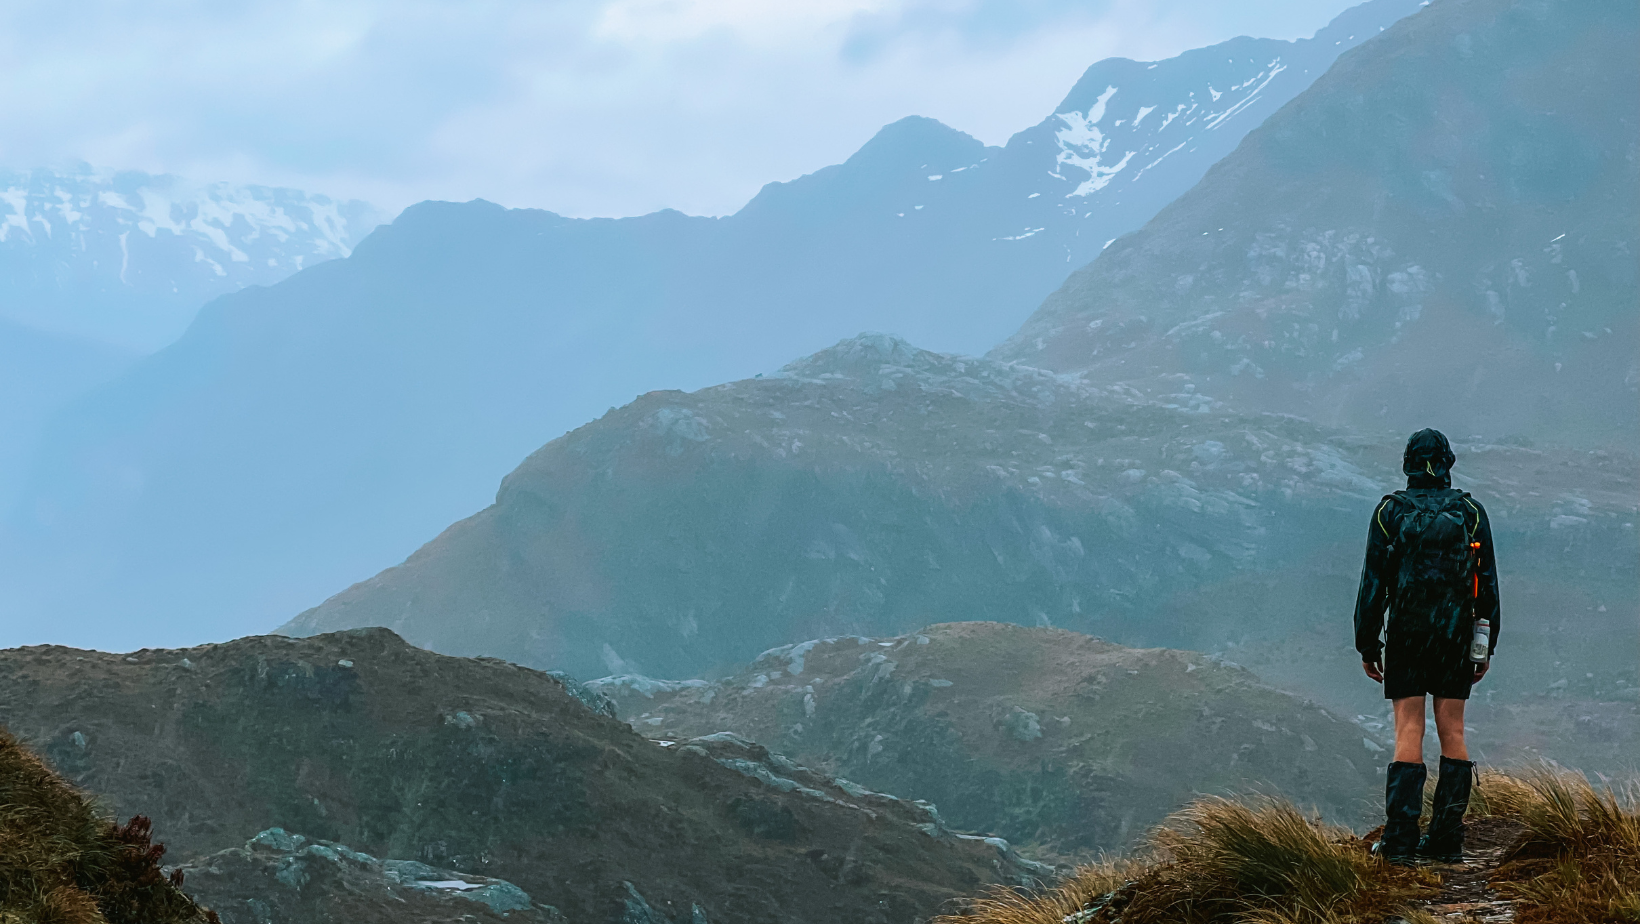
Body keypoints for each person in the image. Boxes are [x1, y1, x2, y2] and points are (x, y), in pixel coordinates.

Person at [1353, 428, 1499, 865]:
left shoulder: (1389, 513)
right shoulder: (1471, 512)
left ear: (1408, 463)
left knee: (1408, 729)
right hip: (1456, 635)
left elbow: (1373, 584)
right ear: (1448, 463)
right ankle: (1445, 841)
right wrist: (1484, 644)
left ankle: (1398, 843)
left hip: (1406, 635)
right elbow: (1486, 584)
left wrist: (1367, 644)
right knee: (1453, 730)